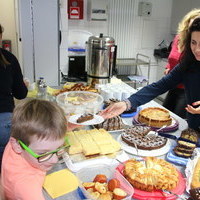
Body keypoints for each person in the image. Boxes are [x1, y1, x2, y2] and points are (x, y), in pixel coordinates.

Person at [101, 17, 200, 132]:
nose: (197, 49)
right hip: (194, 128)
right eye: (194, 42)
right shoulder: (187, 65)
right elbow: (159, 86)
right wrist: (126, 104)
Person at [1, 99, 70, 200]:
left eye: (59, 147)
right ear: (17, 146)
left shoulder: (20, 138)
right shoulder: (27, 189)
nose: (55, 160)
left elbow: (46, 139)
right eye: (43, 153)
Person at [163, 9, 200, 119]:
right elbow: (173, 57)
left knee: (178, 120)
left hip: (186, 88)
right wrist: (168, 67)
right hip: (173, 84)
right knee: (165, 115)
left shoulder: (195, 47)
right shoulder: (179, 38)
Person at [0, 24, 28, 168]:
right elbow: (21, 93)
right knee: (7, 166)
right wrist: (24, 85)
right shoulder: (8, 58)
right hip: (4, 122)